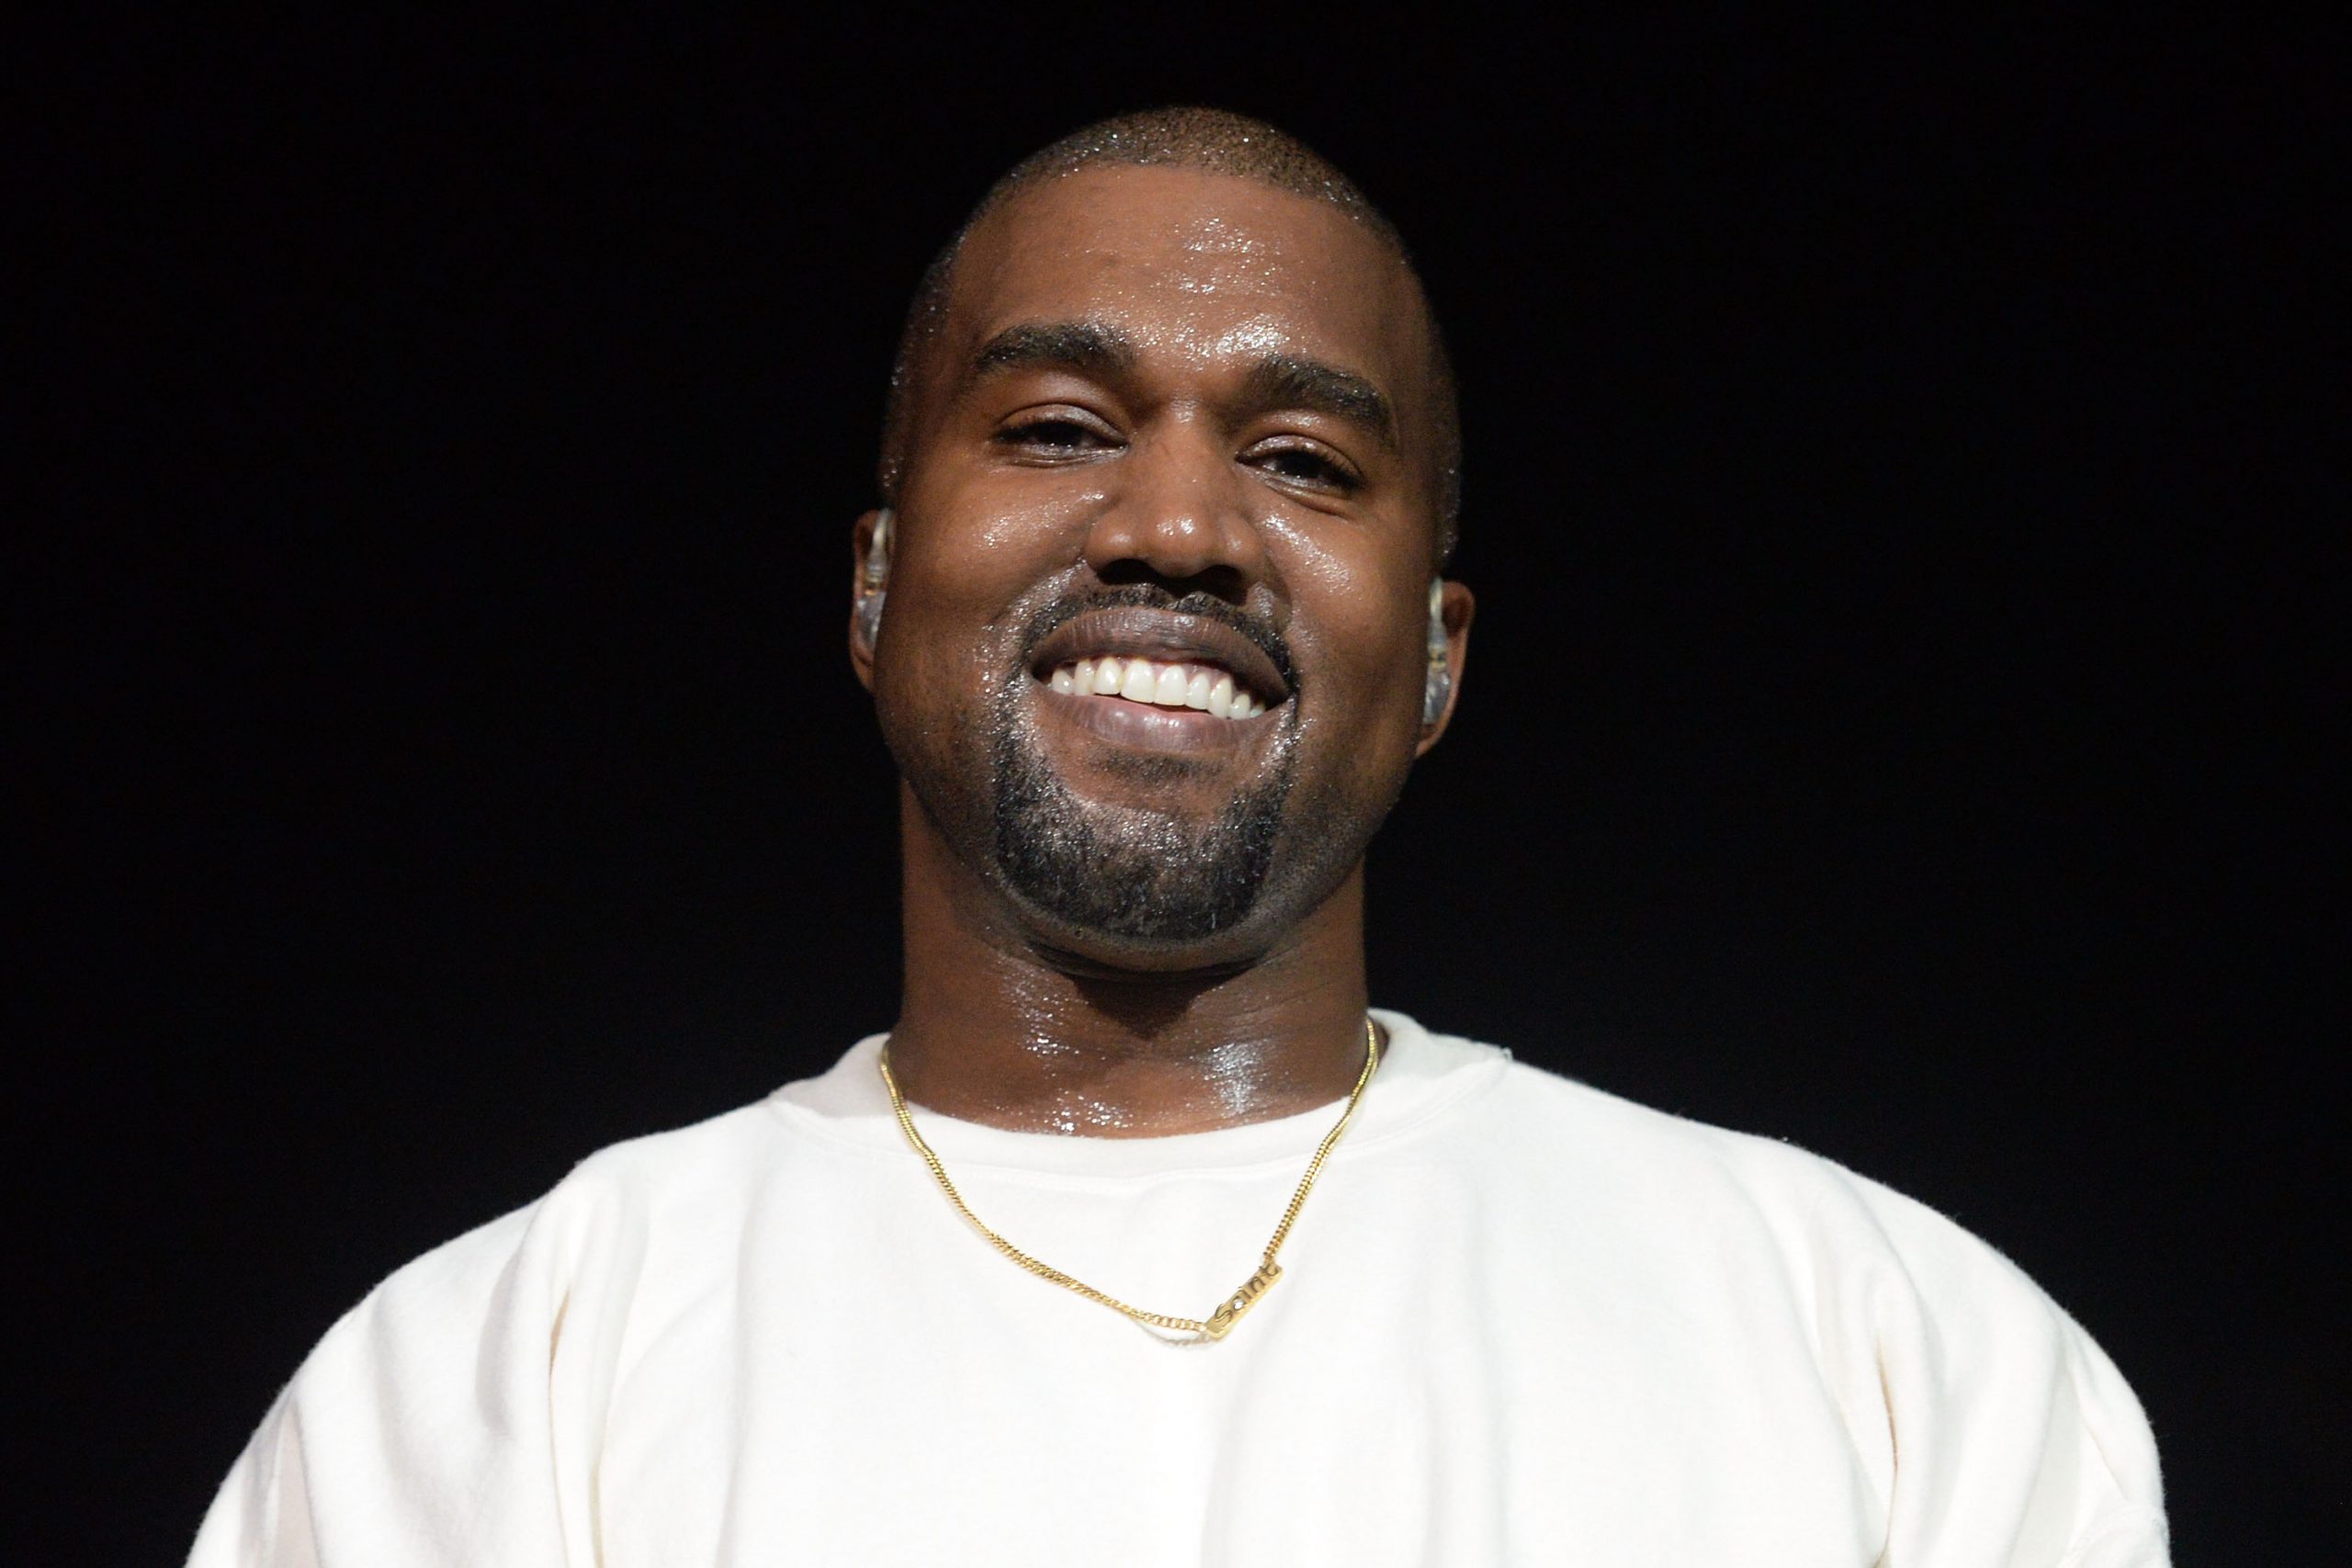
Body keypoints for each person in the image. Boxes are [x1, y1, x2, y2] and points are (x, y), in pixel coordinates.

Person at [188, 107, 2169, 1566]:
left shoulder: (1894, 1355)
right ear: (873, 584)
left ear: (1439, 657)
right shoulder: (483, 1380)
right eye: (1058, 426)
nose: (1178, 527)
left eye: (1301, 458)